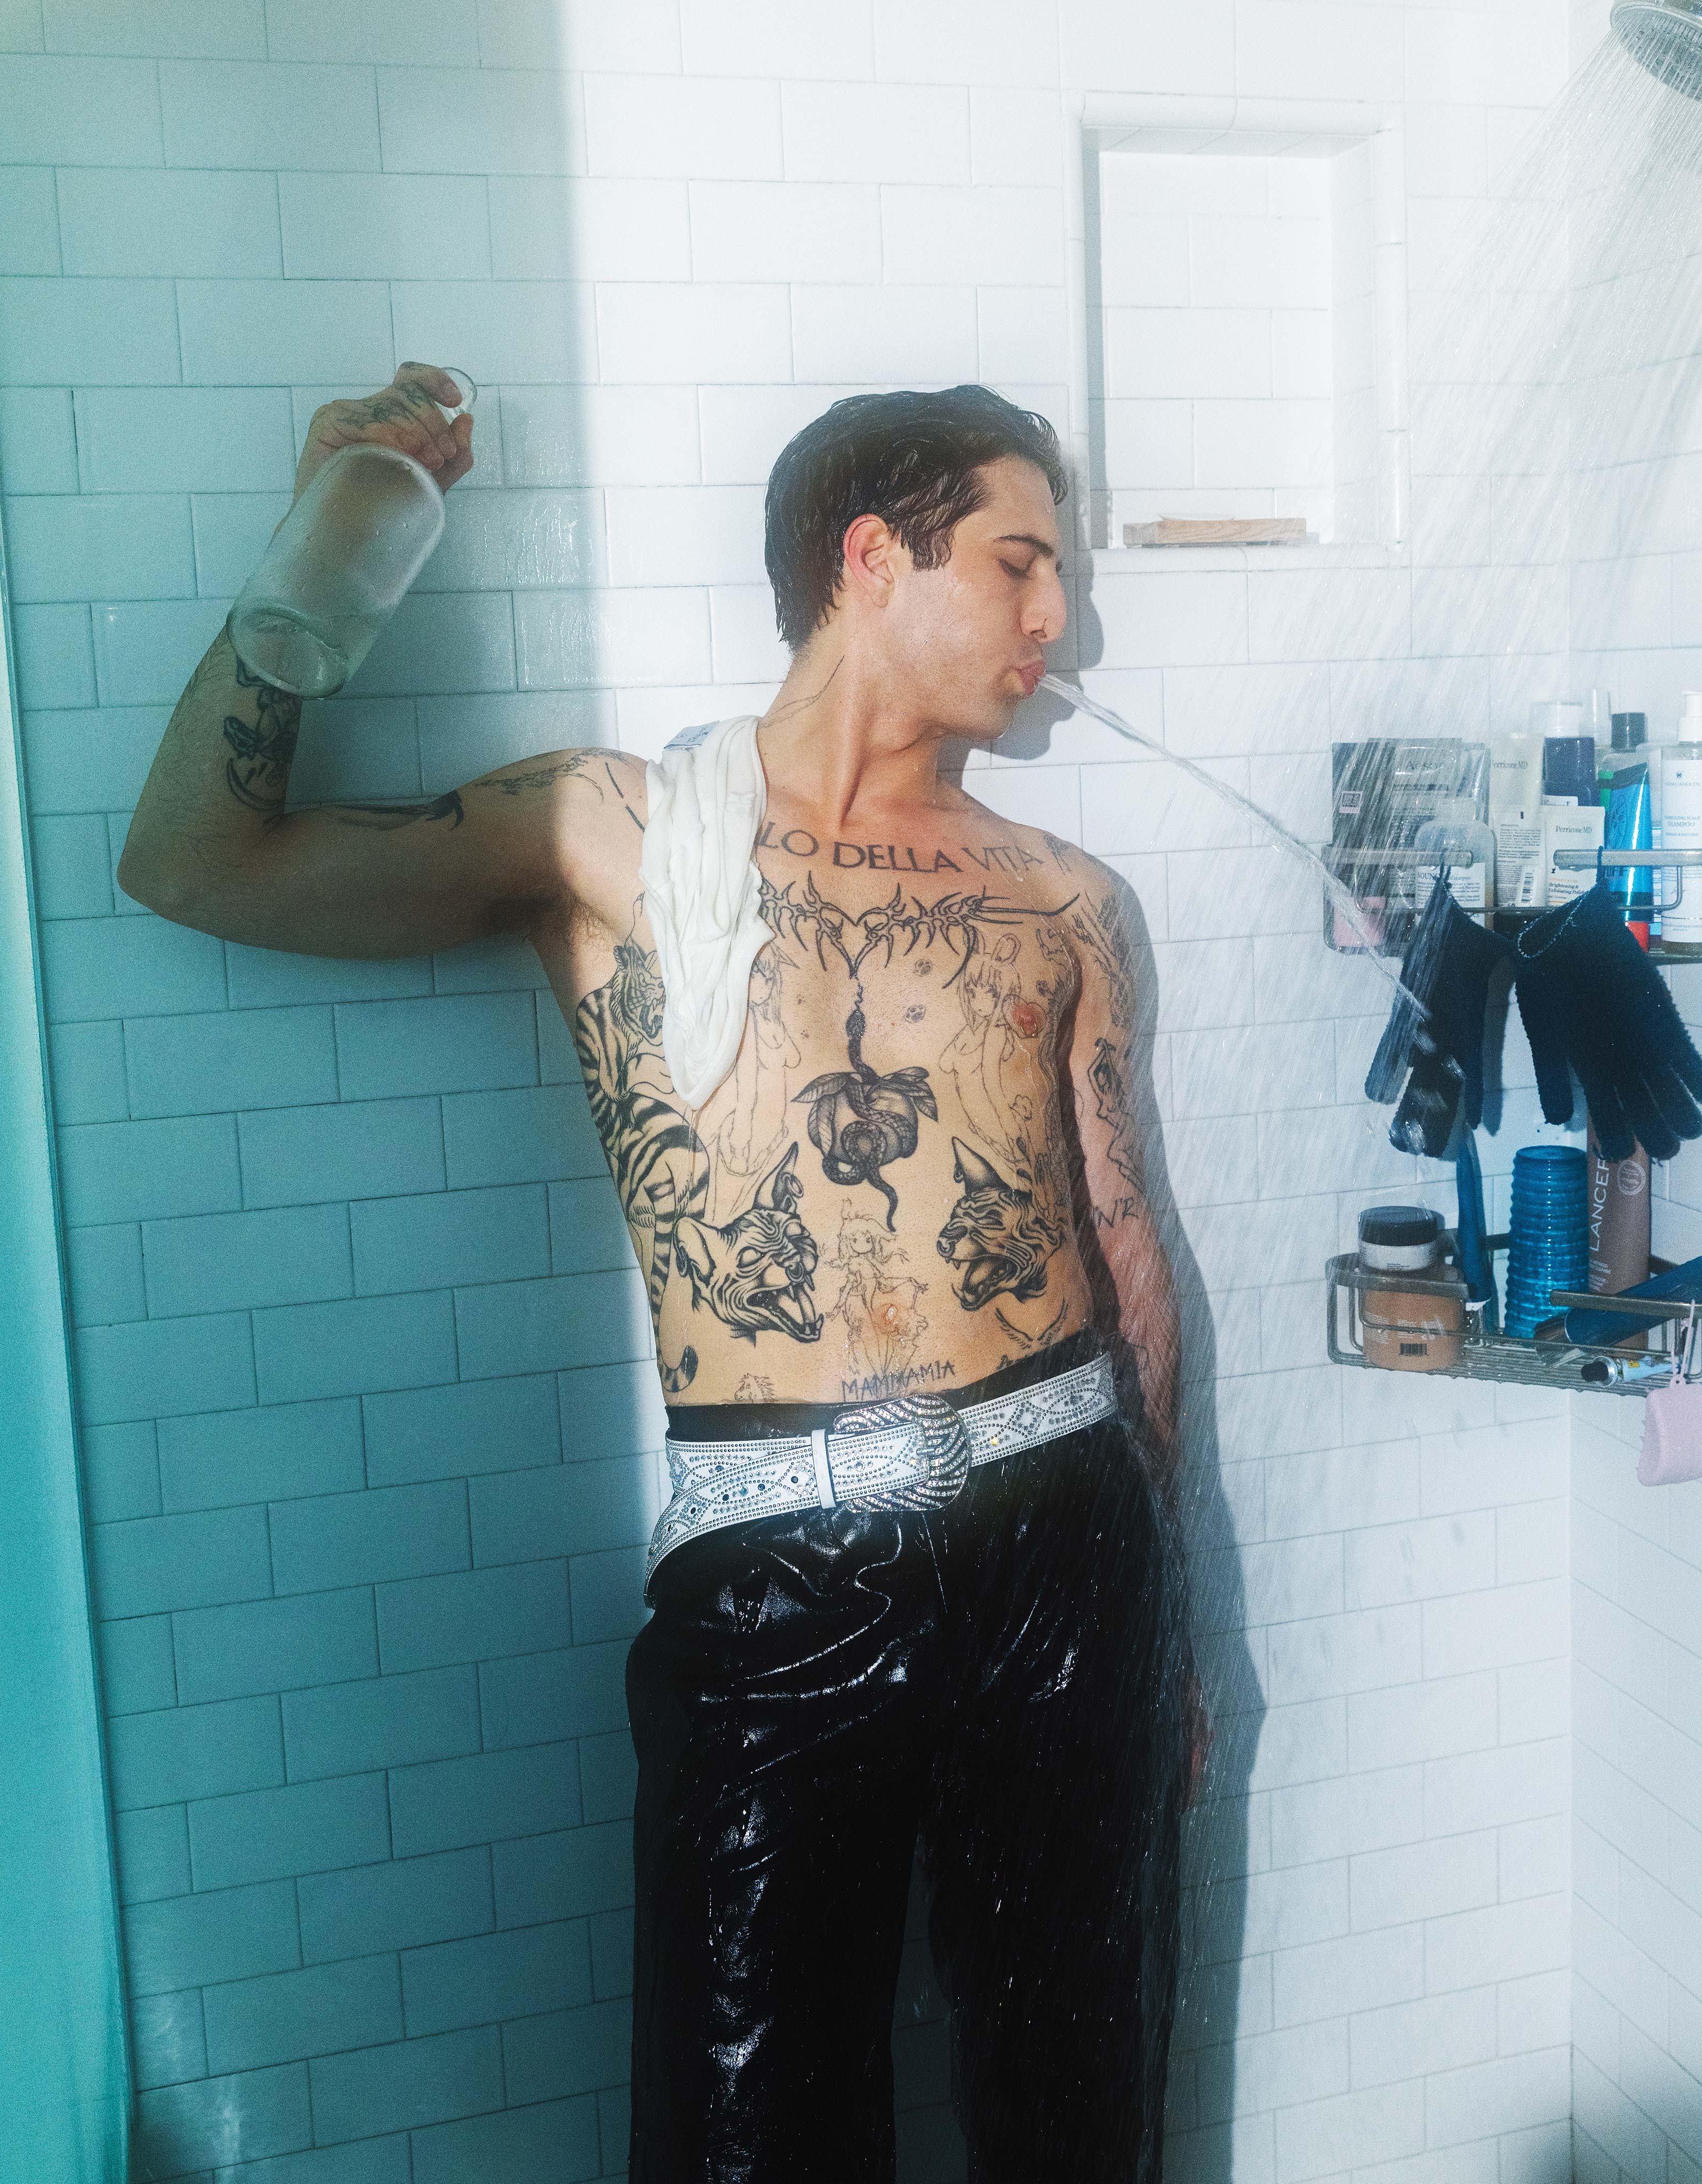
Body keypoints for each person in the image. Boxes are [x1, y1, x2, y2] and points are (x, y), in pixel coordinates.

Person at [119, 366, 1210, 2182]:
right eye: (1023, 565)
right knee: (742, 2126)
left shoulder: (1064, 897)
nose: (1060, 622)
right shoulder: (613, 829)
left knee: (1078, 2095)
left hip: (1067, 1535)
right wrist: (322, 564)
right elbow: (193, 860)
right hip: (778, 1568)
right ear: (872, 556)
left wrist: (1170, 1623)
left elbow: (1124, 1249)